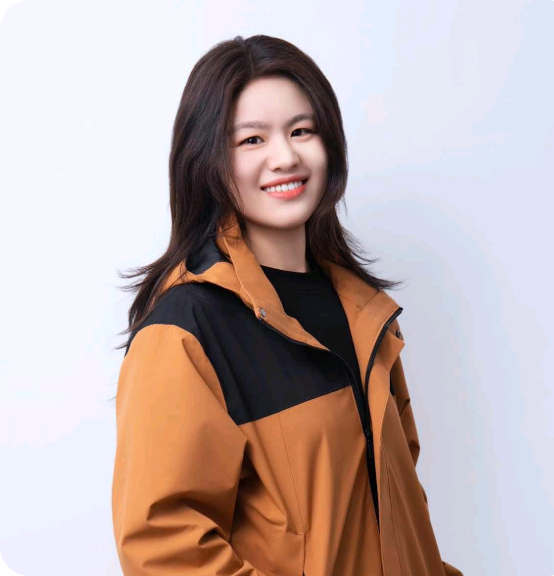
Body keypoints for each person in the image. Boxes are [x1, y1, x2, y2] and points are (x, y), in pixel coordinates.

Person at [111, 34, 464, 576]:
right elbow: (164, 548)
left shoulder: (365, 313)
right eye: (251, 139)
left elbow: (398, 515)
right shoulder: (186, 331)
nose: (285, 157)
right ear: (207, 159)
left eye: (302, 131)